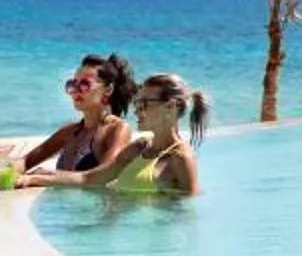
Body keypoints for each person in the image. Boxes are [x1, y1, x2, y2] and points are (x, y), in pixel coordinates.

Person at [26, 71, 206, 195]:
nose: (137, 110)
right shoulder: (139, 148)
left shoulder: (181, 159)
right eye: (136, 103)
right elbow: (89, 179)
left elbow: (187, 214)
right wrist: (33, 179)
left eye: (144, 104)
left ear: (170, 107)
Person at [15, 54, 137, 179]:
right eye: (72, 84)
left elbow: (104, 176)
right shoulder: (70, 131)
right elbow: (25, 162)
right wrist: (7, 169)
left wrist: (43, 177)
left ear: (108, 89)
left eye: (85, 84)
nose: (76, 90)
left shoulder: (116, 129)